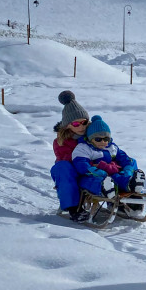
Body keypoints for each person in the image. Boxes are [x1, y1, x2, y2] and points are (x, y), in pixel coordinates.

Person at [72, 115, 146, 211]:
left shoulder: (112, 147)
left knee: (119, 177)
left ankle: (130, 184)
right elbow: (82, 165)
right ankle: (104, 188)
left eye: (106, 139)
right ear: (90, 139)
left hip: (110, 175)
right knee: (90, 181)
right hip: (91, 175)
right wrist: (100, 172)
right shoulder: (83, 148)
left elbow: (126, 159)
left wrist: (127, 169)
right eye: (98, 139)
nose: (103, 142)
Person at [51, 90, 90, 220]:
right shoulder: (61, 141)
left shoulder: (92, 137)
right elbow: (65, 157)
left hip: (91, 169)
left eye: (84, 122)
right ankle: (74, 208)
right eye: (75, 124)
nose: (81, 126)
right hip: (70, 172)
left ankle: (127, 201)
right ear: (68, 125)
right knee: (63, 167)